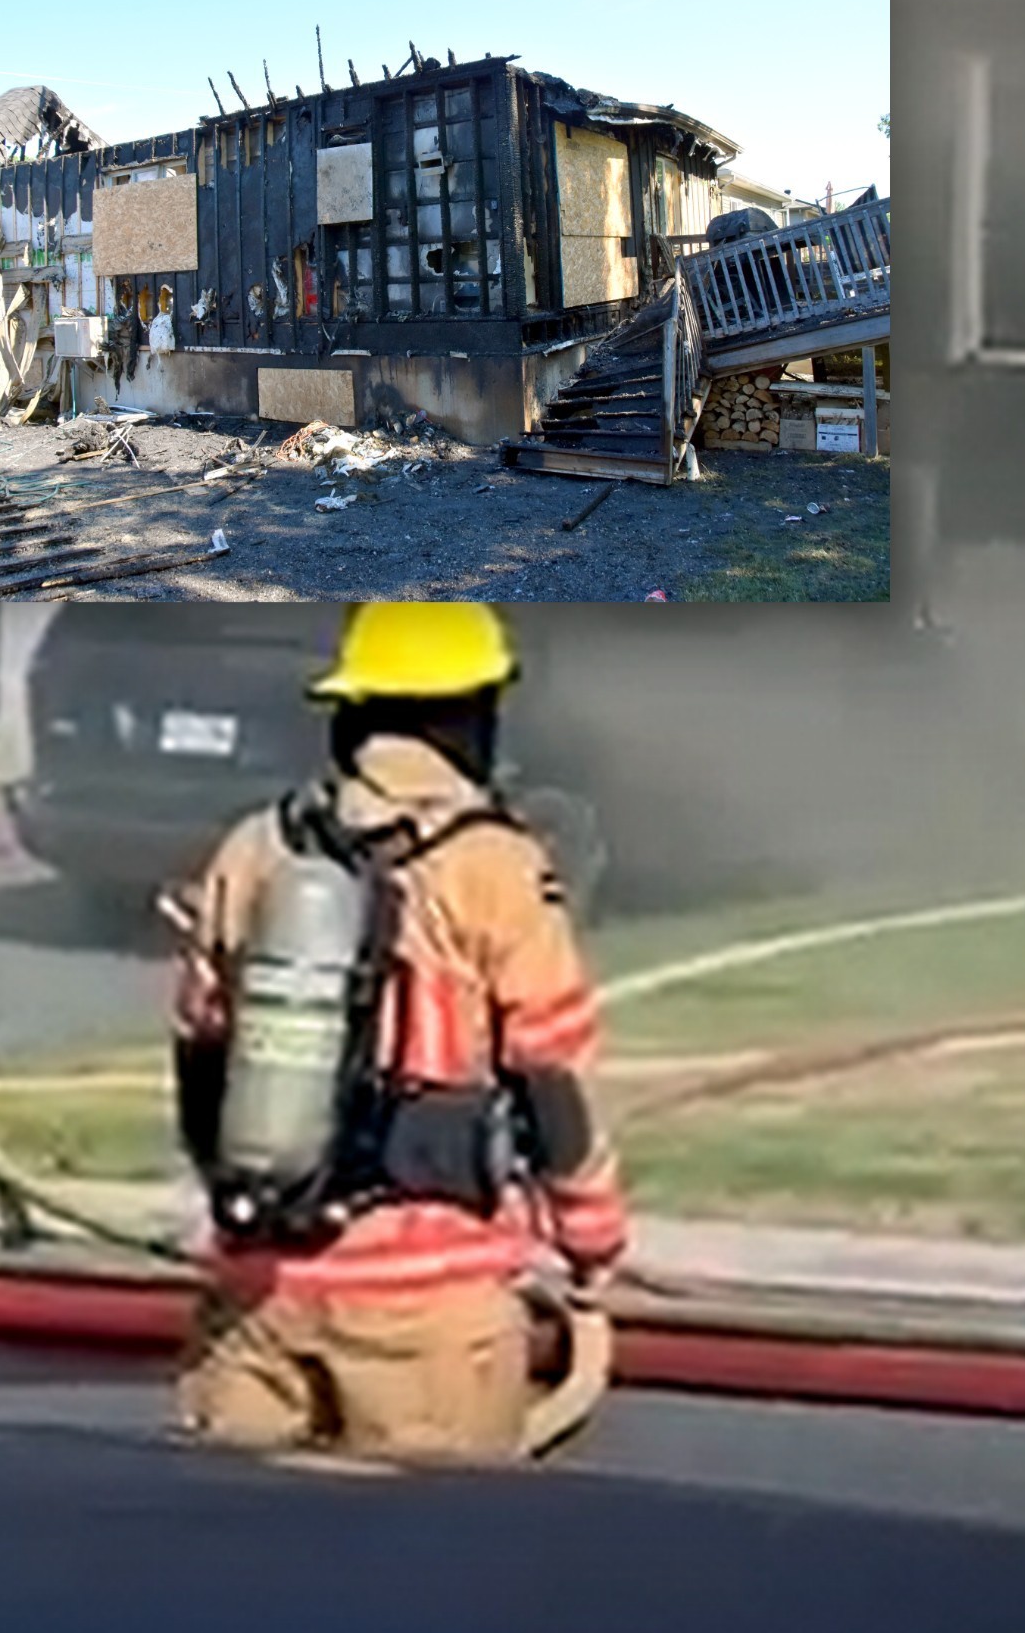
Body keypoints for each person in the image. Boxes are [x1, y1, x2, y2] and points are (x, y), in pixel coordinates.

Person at [164, 599, 626, 1466]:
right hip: (428, 1311)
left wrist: (246, 1207)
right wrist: (593, 1241)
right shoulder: (497, 867)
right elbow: (552, 1078)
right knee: (425, 1580)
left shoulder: (254, 848)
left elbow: (200, 1050)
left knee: (229, 1574)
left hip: (261, 1299)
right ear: (469, 716)